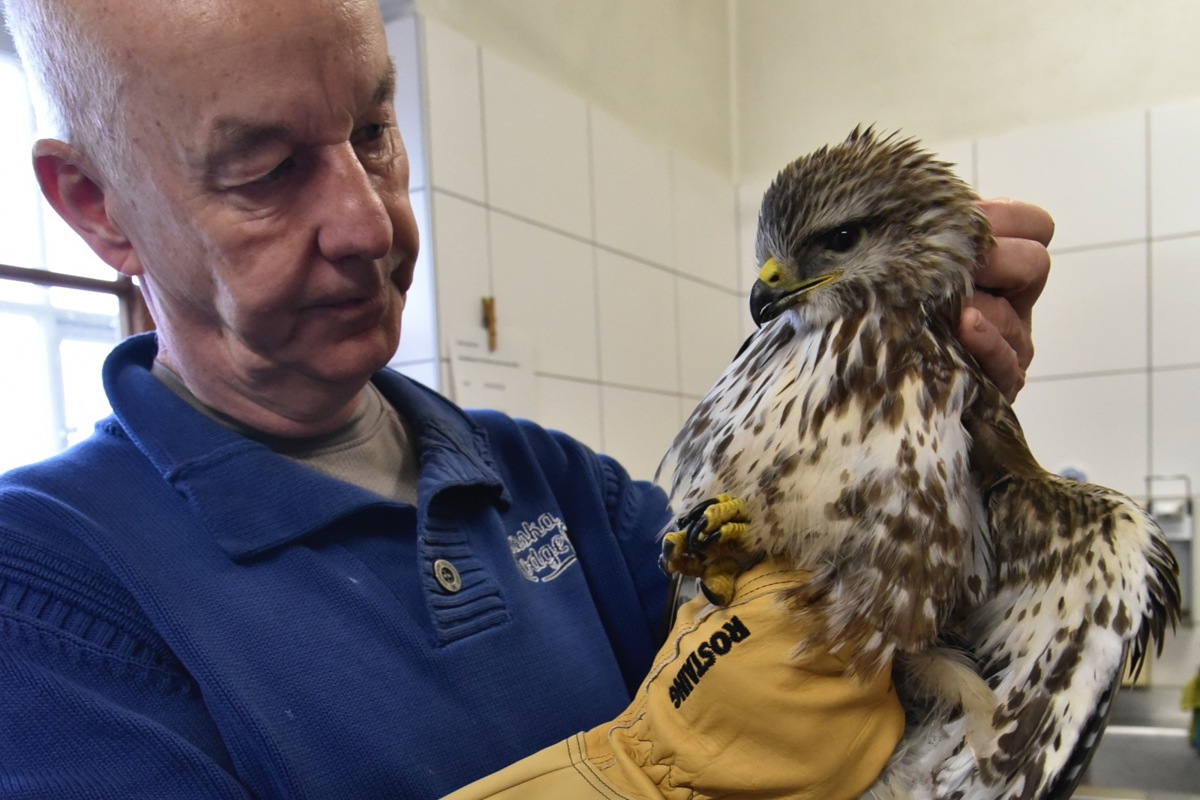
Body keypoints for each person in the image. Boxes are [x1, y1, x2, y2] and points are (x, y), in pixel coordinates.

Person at [0, 0, 1053, 797]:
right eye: (269, 170)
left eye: (373, 131)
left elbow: (881, 665)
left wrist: (934, 425)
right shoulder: (45, 591)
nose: (370, 222)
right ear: (98, 208)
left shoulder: (554, 483)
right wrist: (638, 771)